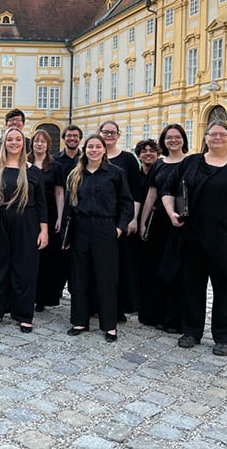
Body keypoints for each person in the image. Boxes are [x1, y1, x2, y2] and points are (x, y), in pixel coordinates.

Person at [163, 120, 227, 357]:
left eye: (222, 134)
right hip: (192, 237)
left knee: (225, 288)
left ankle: (222, 337)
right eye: (213, 134)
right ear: (206, 137)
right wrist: (171, 213)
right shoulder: (190, 162)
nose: (217, 138)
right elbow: (167, 190)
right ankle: (191, 331)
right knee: (192, 286)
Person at [0, 128, 48, 332]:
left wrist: (44, 231)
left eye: (18, 139)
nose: (14, 143)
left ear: (24, 144)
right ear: (4, 143)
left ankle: (24, 314)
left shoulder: (33, 171)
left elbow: (42, 203)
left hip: (27, 221)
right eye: (10, 139)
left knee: (25, 269)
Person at [65, 134, 134, 343]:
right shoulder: (76, 174)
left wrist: (119, 228)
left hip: (106, 229)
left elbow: (126, 204)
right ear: (85, 150)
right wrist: (66, 234)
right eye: (90, 147)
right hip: (81, 229)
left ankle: (109, 325)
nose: (93, 150)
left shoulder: (115, 173)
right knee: (80, 277)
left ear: (104, 150)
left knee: (106, 278)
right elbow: (69, 205)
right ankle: (79, 321)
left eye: (97, 147)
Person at [138, 131, 185, 333]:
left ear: (183, 139)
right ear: (164, 142)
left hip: (179, 223)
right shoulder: (159, 164)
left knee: (176, 270)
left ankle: (173, 318)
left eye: (177, 137)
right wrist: (142, 222)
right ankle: (153, 314)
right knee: (154, 268)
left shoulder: (192, 162)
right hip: (158, 221)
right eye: (169, 137)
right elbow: (151, 194)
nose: (173, 140)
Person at [99, 120, 142, 319]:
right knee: (98, 265)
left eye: (112, 132)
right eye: (105, 132)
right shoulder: (91, 155)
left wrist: (131, 219)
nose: (109, 136)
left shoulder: (128, 159)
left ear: (118, 135)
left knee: (120, 265)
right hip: (97, 219)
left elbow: (136, 191)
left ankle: (119, 307)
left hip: (120, 219)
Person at [29, 128, 66, 311]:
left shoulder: (55, 165)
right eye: (37, 141)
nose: (40, 144)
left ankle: (42, 297)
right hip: (28, 212)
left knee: (46, 257)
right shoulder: (24, 162)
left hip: (50, 213)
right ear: (32, 143)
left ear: (48, 145)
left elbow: (60, 192)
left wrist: (59, 216)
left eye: (43, 141)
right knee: (29, 254)